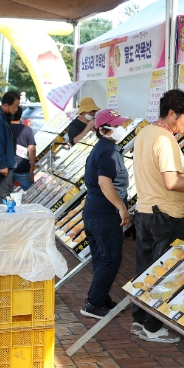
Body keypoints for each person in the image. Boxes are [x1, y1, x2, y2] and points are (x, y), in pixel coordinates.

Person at [130, 89, 184, 343]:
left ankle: (139, 320)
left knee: (144, 270)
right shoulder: (165, 140)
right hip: (166, 216)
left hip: (145, 213)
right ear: (171, 114)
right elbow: (172, 182)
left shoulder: (144, 133)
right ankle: (153, 327)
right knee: (163, 272)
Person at [80, 109, 132, 319]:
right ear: (103, 129)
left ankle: (100, 297)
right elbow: (104, 182)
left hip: (93, 212)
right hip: (104, 214)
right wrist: (121, 207)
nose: (121, 129)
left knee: (101, 258)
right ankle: (93, 303)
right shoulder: (108, 151)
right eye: (117, 126)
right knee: (110, 258)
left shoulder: (103, 148)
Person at [9, 107, 37, 191]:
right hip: (22, 167)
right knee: (30, 192)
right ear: (21, 115)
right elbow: (32, 149)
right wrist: (31, 168)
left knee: (4, 194)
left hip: (5, 167)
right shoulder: (27, 130)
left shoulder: (3, 129)